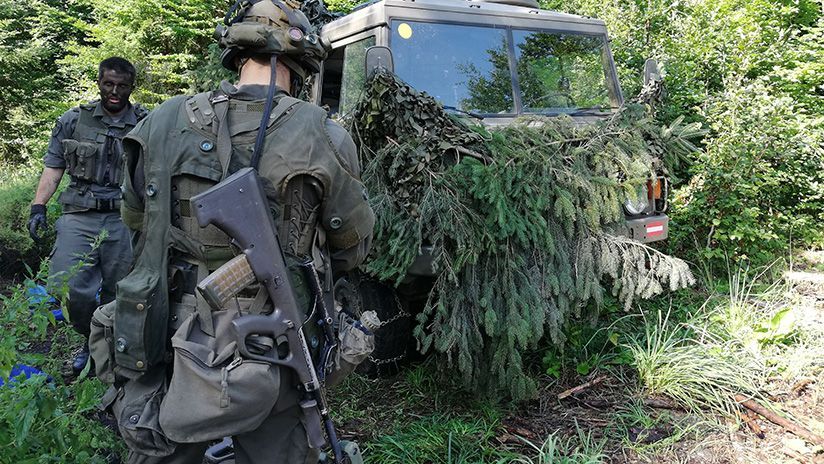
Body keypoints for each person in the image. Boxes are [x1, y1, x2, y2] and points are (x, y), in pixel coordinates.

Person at [103, 0, 375, 462]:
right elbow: (354, 245)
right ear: (303, 60)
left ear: (234, 52)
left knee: (162, 445)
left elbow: (136, 220)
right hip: (271, 339)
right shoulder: (323, 135)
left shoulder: (161, 121)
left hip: (165, 324)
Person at [27, 56, 147, 377]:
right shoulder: (72, 120)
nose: (114, 91)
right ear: (98, 82)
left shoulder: (146, 122)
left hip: (126, 218)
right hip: (79, 215)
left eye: (122, 86)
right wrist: (38, 206)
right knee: (68, 287)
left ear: (131, 87)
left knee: (120, 293)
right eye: (108, 83)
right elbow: (53, 169)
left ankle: (106, 357)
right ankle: (89, 337)